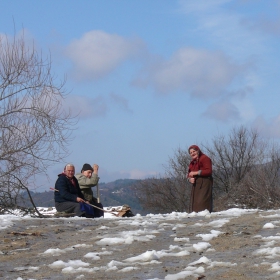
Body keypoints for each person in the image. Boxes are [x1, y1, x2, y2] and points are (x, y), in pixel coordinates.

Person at [186, 145, 213, 213]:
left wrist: (196, 173)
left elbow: (209, 171)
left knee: (202, 203)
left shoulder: (204, 158)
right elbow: (189, 174)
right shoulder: (192, 163)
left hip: (204, 183)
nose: (192, 153)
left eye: (194, 151)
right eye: (191, 152)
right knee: (195, 204)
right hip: (196, 185)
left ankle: (204, 219)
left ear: (198, 151)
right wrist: (189, 179)